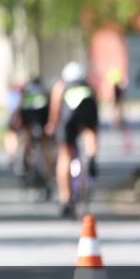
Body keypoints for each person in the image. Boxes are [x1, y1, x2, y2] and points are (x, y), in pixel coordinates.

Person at [45, 61, 99, 218]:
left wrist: (52, 125)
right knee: (89, 134)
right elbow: (95, 110)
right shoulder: (88, 87)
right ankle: (91, 157)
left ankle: (65, 198)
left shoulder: (61, 86)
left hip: (68, 116)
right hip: (87, 109)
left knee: (65, 154)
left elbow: (55, 107)